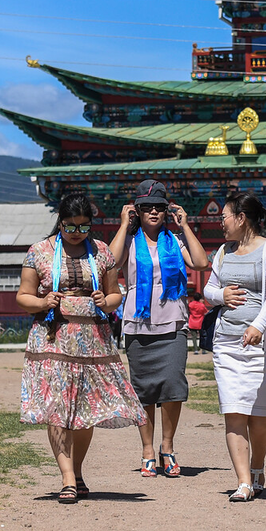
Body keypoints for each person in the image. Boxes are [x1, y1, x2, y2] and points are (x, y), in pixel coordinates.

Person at [16, 189, 145, 504]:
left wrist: (108, 300)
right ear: (59, 222)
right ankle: (67, 478)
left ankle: (78, 470)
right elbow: (23, 296)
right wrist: (43, 301)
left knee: (85, 412)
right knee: (58, 411)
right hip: (52, 340)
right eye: (70, 226)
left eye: (83, 227)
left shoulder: (101, 252)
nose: (76, 233)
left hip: (92, 345)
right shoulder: (39, 252)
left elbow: (116, 294)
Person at [109, 179, 210, 478]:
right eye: (146, 207)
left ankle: (167, 447)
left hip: (173, 323)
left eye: (159, 207)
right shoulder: (129, 240)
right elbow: (110, 262)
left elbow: (201, 262)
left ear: (168, 211)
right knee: (144, 391)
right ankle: (147, 450)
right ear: (137, 211)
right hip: (139, 326)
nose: (153, 212)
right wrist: (124, 226)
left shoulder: (175, 241)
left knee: (172, 386)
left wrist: (184, 226)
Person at [203, 191, 266, 502]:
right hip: (227, 343)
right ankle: (243, 482)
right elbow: (208, 289)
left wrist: (258, 326)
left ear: (241, 218)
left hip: (262, 348)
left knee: (259, 417)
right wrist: (220, 296)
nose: (220, 224)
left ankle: (257, 467)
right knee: (233, 413)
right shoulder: (223, 253)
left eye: (223, 217)